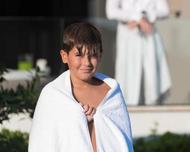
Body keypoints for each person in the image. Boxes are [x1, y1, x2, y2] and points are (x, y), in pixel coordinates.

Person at [28, 22, 133, 152]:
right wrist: (81, 120)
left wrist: (94, 122)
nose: (87, 62)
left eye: (93, 55)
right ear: (64, 56)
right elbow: (42, 143)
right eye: (79, 55)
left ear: (100, 55)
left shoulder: (111, 92)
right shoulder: (53, 95)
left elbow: (123, 141)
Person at [106, 0, 172, 105]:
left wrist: (145, 16)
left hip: (149, 37)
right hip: (128, 38)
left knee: (151, 78)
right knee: (129, 77)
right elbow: (111, 11)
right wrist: (136, 17)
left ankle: (153, 117)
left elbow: (165, 10)